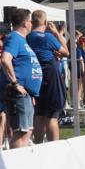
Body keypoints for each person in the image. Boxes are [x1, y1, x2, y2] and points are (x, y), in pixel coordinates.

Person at [0, 9, 43, 149]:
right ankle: (15, 162)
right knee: (21, 133)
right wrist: (15, 83)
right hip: (19, 93)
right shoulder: (14, 38)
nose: (32, 24)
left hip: (27, 94)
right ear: (25, 23)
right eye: (31, 21)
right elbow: (5, 59)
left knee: (27, 131)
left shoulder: (22, 40)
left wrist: (31, 92)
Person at [28, 10, 69, 143]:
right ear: (45, 22)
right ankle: (54, 147)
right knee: (52, 116)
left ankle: (38, 144)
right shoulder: (48, 37)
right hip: (51, 77)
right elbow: (66, 51)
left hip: (36, 76)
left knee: (39, 115)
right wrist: (56, 33)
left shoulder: (28, 38)